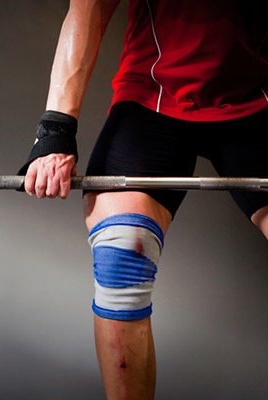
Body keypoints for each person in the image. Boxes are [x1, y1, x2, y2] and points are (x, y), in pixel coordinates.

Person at [18, 0, 268, 398]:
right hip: (154, 99)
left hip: (256, 102)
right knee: (121, 253)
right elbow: (90, 8)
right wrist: (55, 131)